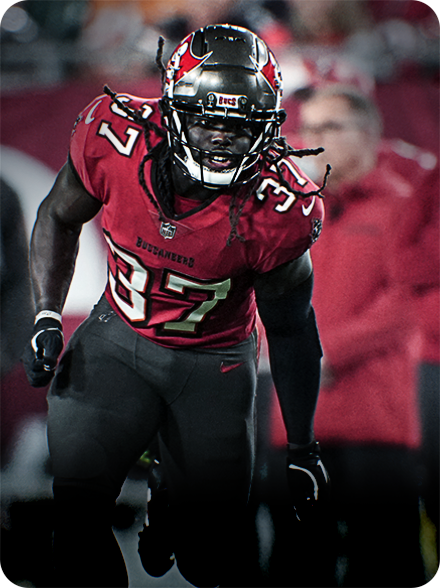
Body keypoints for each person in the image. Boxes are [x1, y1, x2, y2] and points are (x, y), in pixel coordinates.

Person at [21, 24, 330, 588]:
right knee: (77, 520)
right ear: (172, 110)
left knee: (210, 561)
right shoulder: (114, 136)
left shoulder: (281, 206)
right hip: (118, 339)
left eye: (240, 126)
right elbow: (58, 215)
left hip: (214, 365)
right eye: (208, 120)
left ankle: (168, 491)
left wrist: (303, 446)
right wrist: (46, 314)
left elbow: (291, 329)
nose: (221, 139)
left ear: (267, 126)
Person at [265, 83, 429, 587]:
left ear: (370, 134)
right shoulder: (292, 216)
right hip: (296, 429)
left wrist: (326, 354)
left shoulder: (404, 208)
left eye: (329, 127)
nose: (313, 140)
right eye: (307, 128)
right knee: (296, 566)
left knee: (384, 564)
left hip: (374, 425)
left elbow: (410, 300)